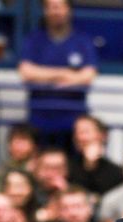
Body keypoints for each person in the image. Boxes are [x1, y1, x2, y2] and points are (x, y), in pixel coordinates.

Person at [18, 0, 97, 149]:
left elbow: (88, 76)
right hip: (39, 122)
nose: (55, 11)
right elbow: (26, 72)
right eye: (51, 7)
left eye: (59, 7)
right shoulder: (34, 39)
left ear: (69, 10)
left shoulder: (82, 40)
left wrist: (43, 76)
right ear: (45, 11)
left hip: (73, 124)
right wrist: (64, 73)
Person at [68, 115, 123, 196]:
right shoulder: (68, 167)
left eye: (85, 132)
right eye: (76, 132)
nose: (79, 137)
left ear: (103, 136)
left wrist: (91, 163)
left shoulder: (117, 173)